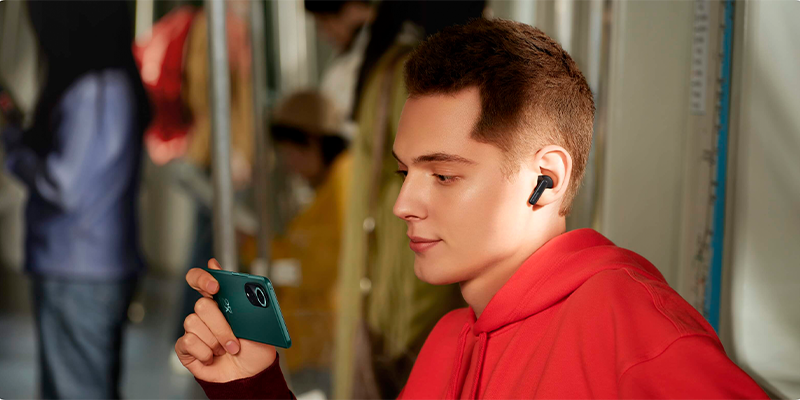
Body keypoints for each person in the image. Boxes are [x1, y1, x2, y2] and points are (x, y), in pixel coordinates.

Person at [175, 19, 769, 399]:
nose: (404, 204)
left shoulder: (632, 328)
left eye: (444, 175)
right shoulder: (449, 340)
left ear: (546, 179)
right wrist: (252, 387)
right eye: (404, 173)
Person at [1, 1, 150, 398]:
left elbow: (65, 184)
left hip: (78, 271)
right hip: (88, 269)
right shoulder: (109, 86)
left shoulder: (97, 90)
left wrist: (15, 150)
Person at [267, 91, 352, 397]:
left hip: (329, 343)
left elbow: (319, 266)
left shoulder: (344, 183)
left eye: (292, 153)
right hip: (319, 345)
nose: (290, 165)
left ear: (313, 142)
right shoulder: (330, 185)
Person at [304, 0, 373, 124]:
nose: (324, 33)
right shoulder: (347, 53)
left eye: (324, 21)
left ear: (353, 9)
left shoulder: (376, 54)